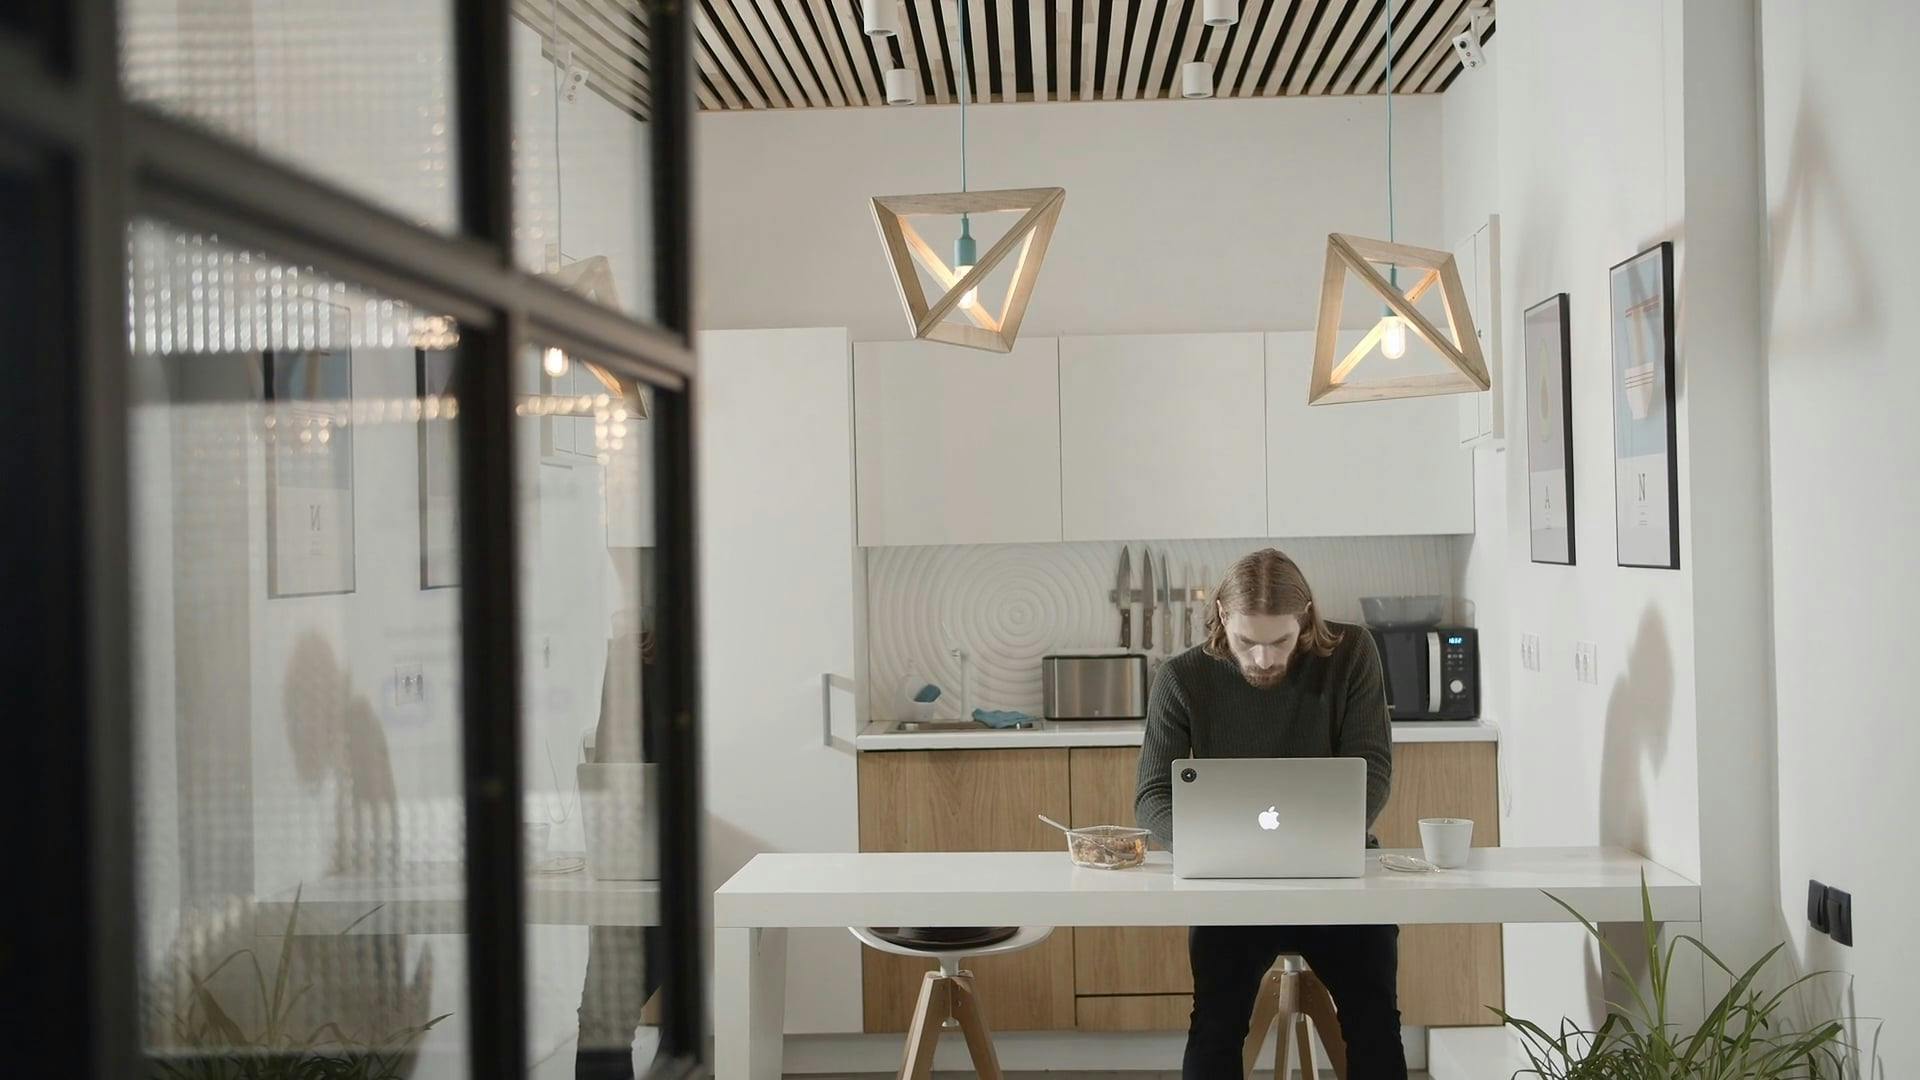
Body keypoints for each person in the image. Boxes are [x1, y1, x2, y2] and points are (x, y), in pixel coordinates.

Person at [1134, 548, 1405, 1079]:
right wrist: (1219, 851)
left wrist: (1318, 842)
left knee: (1375, 1020)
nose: (1263, 659)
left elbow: (1371, 771)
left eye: (1279, 641)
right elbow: (1152, 797)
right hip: (1229, 886)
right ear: (1221, 618)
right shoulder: (1182, 677)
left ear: (1305, 619)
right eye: (1246, 643)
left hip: (1339, 878)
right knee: (1215, 1022)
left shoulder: (1352, 654)